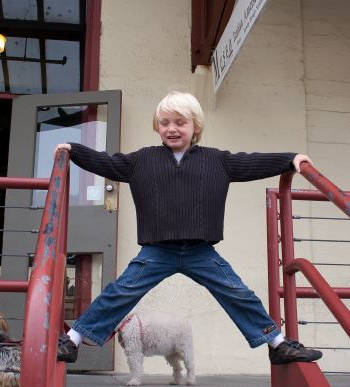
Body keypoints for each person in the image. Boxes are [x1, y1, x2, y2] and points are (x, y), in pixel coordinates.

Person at [54, 91, 322, 366]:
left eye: (180, 122)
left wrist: (291, 159)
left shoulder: (217, 160)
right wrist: (74, 150)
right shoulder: (141, 160)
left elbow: (252, 162)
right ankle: (73, 340)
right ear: (157, 126)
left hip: (200, 252)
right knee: (120, 292)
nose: (171, 128)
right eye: (164, 123)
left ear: (196, 127)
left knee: (238, 293)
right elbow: (107, 162)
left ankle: (277, 344)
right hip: (157, 251)